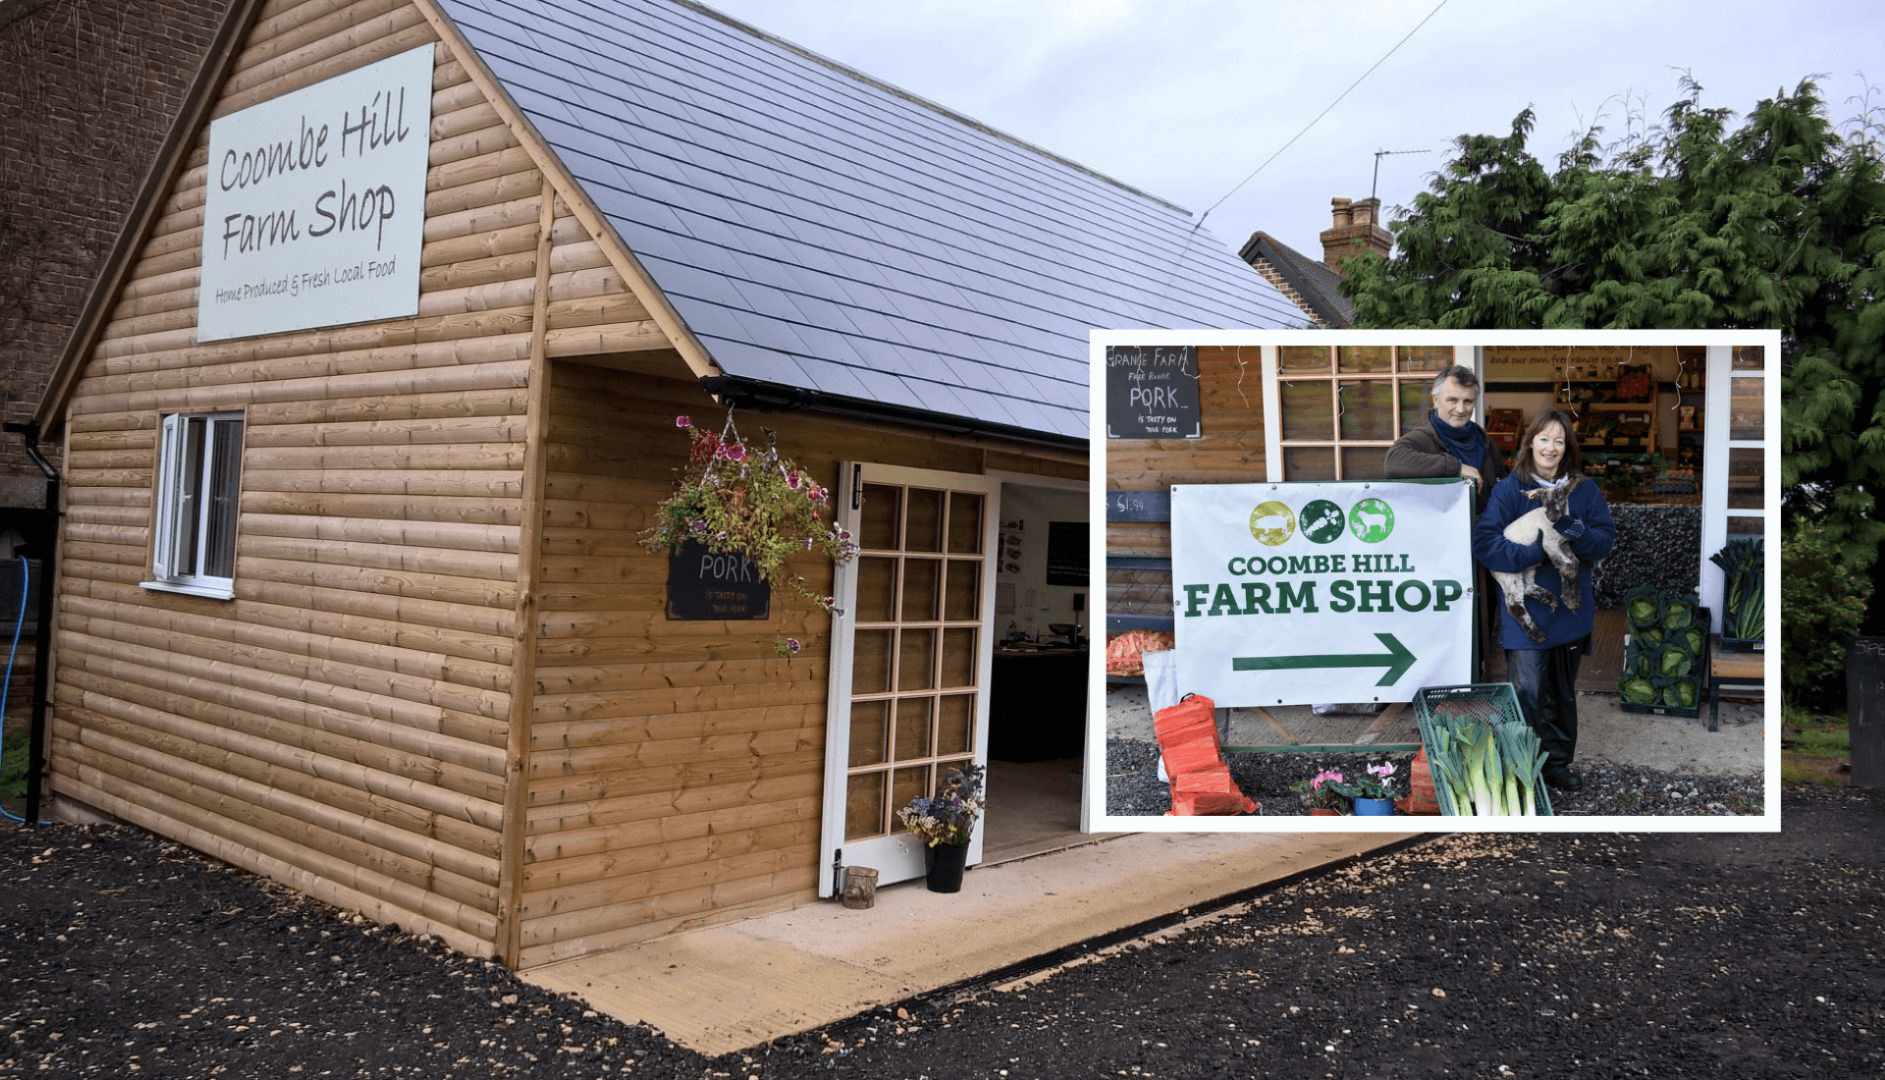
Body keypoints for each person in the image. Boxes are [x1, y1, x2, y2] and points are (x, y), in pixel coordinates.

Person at [1471, 409, 1615, 793]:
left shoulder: (1584, 491)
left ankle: (1557, 765)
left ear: (1567, 448)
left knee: (1561, 694)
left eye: (1559, 440)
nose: (1550, 448)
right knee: (1528, 694)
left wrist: (1577, 532)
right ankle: (1524, 768)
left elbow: (1604, 542)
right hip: (1526, 617)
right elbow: (1485, 544)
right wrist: (1533, 552)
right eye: (1544, 438)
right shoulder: (1508, 490)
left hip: (1570, 612)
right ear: (1530, 442)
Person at [1385, 365, 1504, 516]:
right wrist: (1457, 468)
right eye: (1452, 400)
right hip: (1438, 536)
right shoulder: (1421, 438)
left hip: (1483, 536)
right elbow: (1393, 461)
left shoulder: (1486, 442)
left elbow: (1503, 489)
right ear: (1436, 400)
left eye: (1467, 401)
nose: (1461, 409)